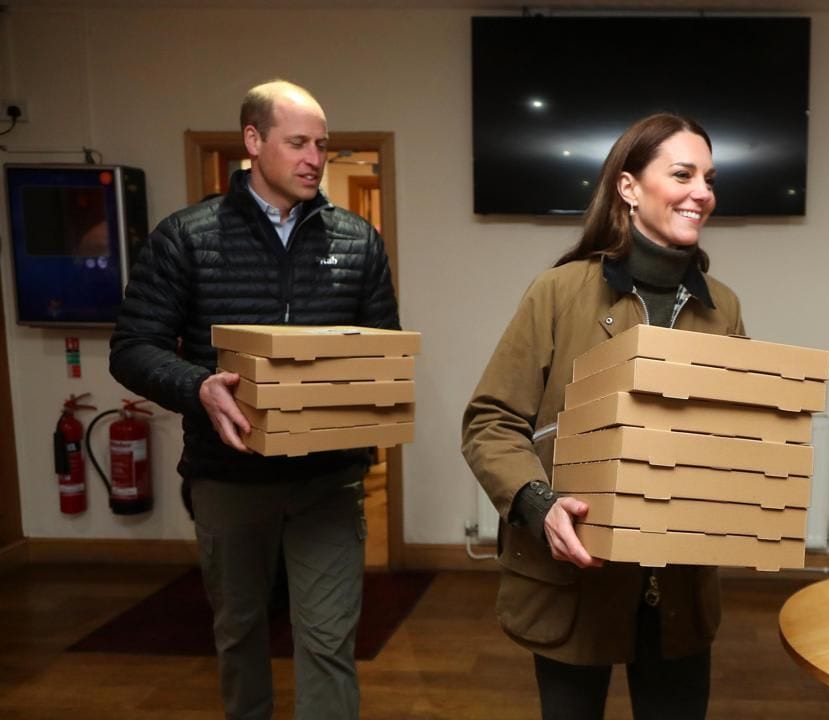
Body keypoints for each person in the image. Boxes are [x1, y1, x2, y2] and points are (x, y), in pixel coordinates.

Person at [110, 79, 399, 720]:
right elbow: (132, 347)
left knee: (328, 641)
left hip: (329, 476)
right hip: (228, 475)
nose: (314, 158)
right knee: (240, 632)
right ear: (252, 141)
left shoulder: (357, 241)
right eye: (297, 142)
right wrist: (197, 385)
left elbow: (381, 351)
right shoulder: (186, 236)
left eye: (322, 145)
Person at [462, 113, 743, 720]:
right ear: (628, 187)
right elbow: (490, 421)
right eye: (682, 174)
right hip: (572, 585)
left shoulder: (725, 309)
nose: (703, 192)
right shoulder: (558, 292)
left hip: (679, 593)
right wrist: (539, 505)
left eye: (710, 179)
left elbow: (734, 439)